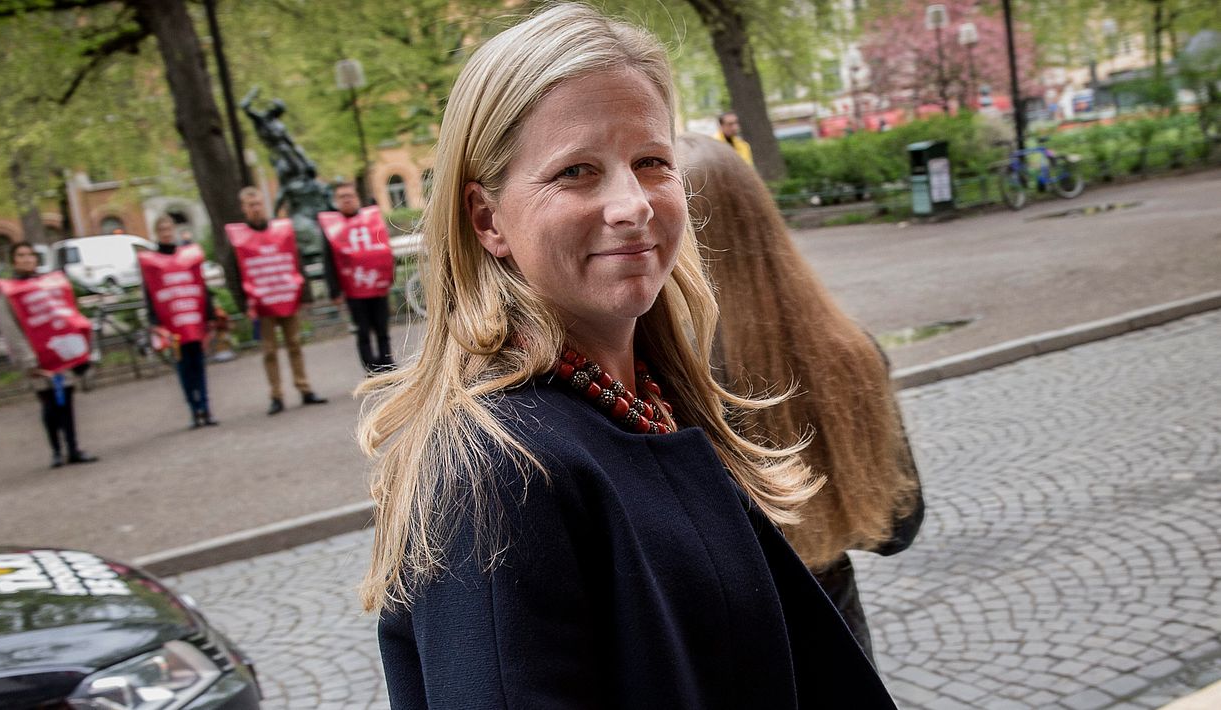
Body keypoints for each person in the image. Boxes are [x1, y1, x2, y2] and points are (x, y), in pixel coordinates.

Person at [358, 5, 896, 707]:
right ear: (487, 218)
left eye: (651, 162)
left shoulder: (645, 398)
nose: (632, 204)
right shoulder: (499, 468)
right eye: (576, 171)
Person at [679, 132, 925, 662]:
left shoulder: (670, 380)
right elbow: (897, 527)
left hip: (728, 650)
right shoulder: (851, 350)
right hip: (836, 635)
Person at [0, 241, 98, 469]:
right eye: (21, 255)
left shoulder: (48, 284)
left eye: (30, 255)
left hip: (60, 354)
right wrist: (28, 360)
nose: (27, 259)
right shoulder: (8, 291)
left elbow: (65, 313)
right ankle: (57, 451)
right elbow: (10, 329)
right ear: (13, 260)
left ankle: (73, 448)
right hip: (37, 360)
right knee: (49, 404)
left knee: (66, 401)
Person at [226, 186, 327, 415]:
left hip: (286, 298)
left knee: (295, 344)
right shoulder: (238, 239)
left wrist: (305, 295)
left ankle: (304, 387)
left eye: (258, 204)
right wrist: (243, 304)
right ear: (244, 209)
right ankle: (276, 395)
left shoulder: (281, 232)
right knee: (269, 350)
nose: (256, 208)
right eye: (251, 205)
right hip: (261, 305)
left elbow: (296, 261)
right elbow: (233, 273)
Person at [141, 214, 218, 428]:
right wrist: (155, 322)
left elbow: (200, 286)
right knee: (183, 368)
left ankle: (205, 407)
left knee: (199, 365)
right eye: (162, 230)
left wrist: (210, 316)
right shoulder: (152, 263)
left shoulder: (188, 256)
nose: (166, 233)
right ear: (157, 233)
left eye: (169, 229)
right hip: (172, 327)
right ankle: (194, 409)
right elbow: (150, 293)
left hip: (192, 321)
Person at [317, 181, 395, 373]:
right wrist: (334, 290)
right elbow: (328, 260)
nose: (347, 200)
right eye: (342, 197)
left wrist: (389, 275)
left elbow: (385, 249)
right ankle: (371, 369)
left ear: (357, 198)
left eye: (350, 196)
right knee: (363, 331)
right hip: (353, 289)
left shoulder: (372, 220)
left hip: (377, 285)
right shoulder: (332, 228)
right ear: (336, 201)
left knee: (382, 329)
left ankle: (387, 364)